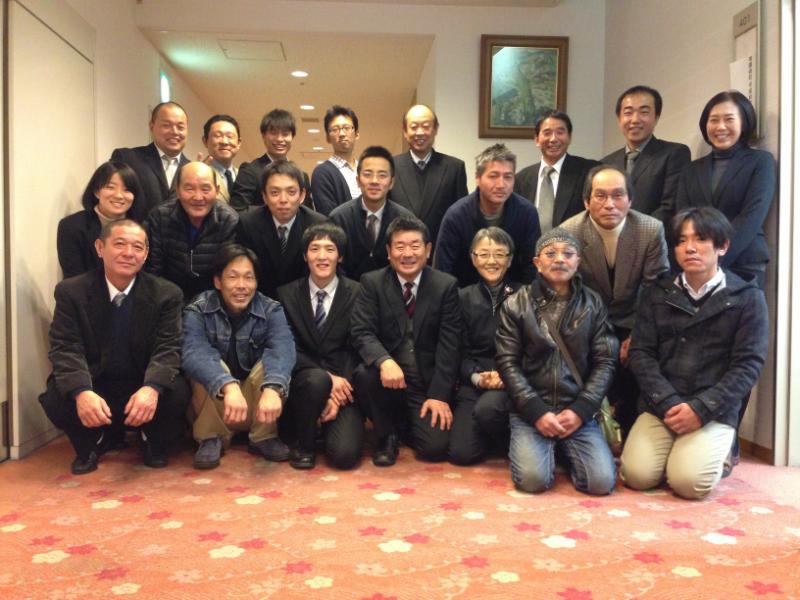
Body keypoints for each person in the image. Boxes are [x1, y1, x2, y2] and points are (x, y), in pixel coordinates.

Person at [621, 207, 768, 499]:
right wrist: (668, 402)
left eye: (700, 239)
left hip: (713, 409)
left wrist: (700, 409)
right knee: (637, 476)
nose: (689, 248)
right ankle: (680, 450)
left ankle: (717, 451)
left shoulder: (747, 298)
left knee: (688, 483)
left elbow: (748, 365)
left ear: (722, 246)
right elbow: (641, 353)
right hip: (662, 405)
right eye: (681, 240)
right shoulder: (658, 293)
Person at [39, 220, 189, 474]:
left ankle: (150, 438)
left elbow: (168, 347)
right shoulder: (72, 292)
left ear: (146, 255)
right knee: (57, 395)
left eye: (137, 247)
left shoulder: (166, 293)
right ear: (100, 247)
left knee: (177, 391)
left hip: (140, 381)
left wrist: (151, 388)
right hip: (96, 382)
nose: (129, 253)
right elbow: (65, 347)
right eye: (119, 244)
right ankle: (95, 439)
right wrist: (82, 391)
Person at [495, 228, 618, 495]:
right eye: (550, 254)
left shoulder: (593, 303)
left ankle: (560, 449)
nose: (560, 259)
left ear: (578, 262)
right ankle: (549, 449)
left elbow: (606, 360)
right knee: (533, 481)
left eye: (568, 254)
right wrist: (535, 411)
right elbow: (506, 362)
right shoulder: (516, 304)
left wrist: (581, 409)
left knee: (600, 483)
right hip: (531, 410)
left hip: (577, 408)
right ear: (537, 263)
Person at [560, 165, 669, 435]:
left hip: (636, 317)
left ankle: (635, 431)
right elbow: (569, 292)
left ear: (630, 200)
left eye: (618, 195)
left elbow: (656, 288)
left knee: (641, 358)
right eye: (600, 195)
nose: (609, 204)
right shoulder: (569, 232)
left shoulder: (650, 230)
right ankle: (591, 430)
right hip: (589, 320)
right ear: (587, 201)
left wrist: (637, 334)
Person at [351, 215, 460, 466]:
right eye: (399, 246)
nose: (407, 253)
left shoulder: (445, 286)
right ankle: (386, 435)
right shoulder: (372, 282)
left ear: (428, 250)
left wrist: (439, 395)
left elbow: (450, 345)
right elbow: (361, 331)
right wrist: (384, 360)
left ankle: (403, 423)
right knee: (364, 374)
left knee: (435, 448)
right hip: (386, 381)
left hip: (424, 382)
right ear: (389, 252)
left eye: (415, 246)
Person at [182, 244, 294, 469]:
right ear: (218, 282)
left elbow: (282, 348)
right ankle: (210, 436)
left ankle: (264, 435)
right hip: (218, 401)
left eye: (248, 277)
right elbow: (193, 350)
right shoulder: (198, 309)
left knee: (273, 366)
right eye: (233, 277)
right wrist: (228, 385)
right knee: (205, 364)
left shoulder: (271, 309)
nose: (241, 285)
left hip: (255, 402)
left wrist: (273, 388)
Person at [278, 223, 364, 470]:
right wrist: (327, 378)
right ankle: (305, 446)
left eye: (330, 249)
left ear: (340, 256)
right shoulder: (286, 294)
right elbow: (286, 345)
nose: (322, 256)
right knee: (316, 380)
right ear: (305, 256)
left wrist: (338, 389)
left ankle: (326, 428)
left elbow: (359, 345)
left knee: (344, 456)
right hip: (304, 385)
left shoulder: (359, 293)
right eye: (315, 249)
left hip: (344, 388)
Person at [673, 90, 776, 289]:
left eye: (729, 119)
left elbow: (752, 216)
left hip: (744, 262)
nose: (720, 126)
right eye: (714, 120)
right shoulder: (691, 169)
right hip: (697, 264)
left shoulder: (761, 161)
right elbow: (683, 217)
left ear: (744, 122)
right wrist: (701, 257)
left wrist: (714, 258)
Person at [448, 227, 520, 466]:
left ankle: (506, 439)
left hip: (514, 381)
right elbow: (457, 350)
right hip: (475, 381)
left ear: (509, 260)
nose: (492, 261)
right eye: (484, 254)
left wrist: (507, 376)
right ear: (473, 258)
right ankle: (493, 437)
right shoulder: (461, 297)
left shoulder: (525, 296)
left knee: (489, 410)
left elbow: (532, 349)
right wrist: (477, 377)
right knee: (461, 454)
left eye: (499, 254)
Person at [435, 143, 541, 287]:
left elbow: (532, 267)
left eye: (508, 177)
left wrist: (523, 298)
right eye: (493, 176)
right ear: (477, 178)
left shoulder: (527, 213)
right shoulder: (456, 215)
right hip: (464, 294)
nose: (501, 184)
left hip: (514, 295)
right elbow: (443, 270)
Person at [145, 161, 239, 302]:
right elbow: (153, 272)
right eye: (189, 189)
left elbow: (226, 275)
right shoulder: (159, 217)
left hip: (212, 300)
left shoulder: (229, 220)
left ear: (217, 190)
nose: (198, 197)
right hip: (168, 297)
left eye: (205, 189)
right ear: (177, 190)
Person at [236, 160, 326, 299]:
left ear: (302, 195)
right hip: (260, 299)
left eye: (291, 192)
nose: (283, 199)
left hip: (302, 300)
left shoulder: (317, 225)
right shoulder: (248, 223)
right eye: (275, 192)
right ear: (264, 196)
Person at [602, 85, 690, 220]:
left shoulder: (675, 153)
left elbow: (669, 207)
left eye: (644, 112)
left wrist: (635, 231)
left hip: (655, 232)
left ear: (656, 117)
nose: (635, 120)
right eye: (628, 113)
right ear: (619, 119)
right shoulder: (606, 163)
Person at [329, 146, 414, 281]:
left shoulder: (405, 219)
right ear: (358, 180)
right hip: (349, 291)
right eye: (367, 174)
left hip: (392, 290)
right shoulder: (339, 218)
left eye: (382, 175)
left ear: (391, 182)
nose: (374, 181)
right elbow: (333, 263)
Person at [389, 104, 468, 245]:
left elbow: (461, 217)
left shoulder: (454, 168)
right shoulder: (391, 166)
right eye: (414, 127)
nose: (420, 132)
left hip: (440, 251)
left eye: (426, 126)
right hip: (401, 251)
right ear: (405, 132)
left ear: (436, 129)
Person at [57, 161, 146, 279]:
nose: (119, 195)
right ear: (96, 191)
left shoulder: (142, 227)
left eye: (127, 190)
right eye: (110, 187)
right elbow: (74, 278)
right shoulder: (72, 226)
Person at [514, 109, 599, 231]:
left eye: (560, 132)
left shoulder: (588, 171)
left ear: (569, 137)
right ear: (537, 139)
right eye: (547, 133)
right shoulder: (521, 179)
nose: (553, 139)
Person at [110, 101, 190, 213]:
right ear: (151, 126)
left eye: (180, 127)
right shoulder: (127, 158)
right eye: (166, 125)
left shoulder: (191, 169)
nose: (175, 132)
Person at [229, 108, 312, 212]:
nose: (279, 139)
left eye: (285, 134)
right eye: (274, 133)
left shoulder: (302, 176)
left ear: (292, 137)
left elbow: (307, 213)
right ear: (264, 136)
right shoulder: (250, 171)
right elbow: (237, 211)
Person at [311, 105, 361, 216]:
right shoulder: (322, 173)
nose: (342, 134)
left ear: (357, 133)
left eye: (346, 128)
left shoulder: (366, 169)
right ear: (328, 138)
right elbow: (329, 217)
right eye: (335, 129)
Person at [199, 114, 242, 203]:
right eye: (217, 136)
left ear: (239, 143)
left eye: (230, 136)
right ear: (205, 141)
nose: (224, 142)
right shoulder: (197, 173)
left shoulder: (243, 175)